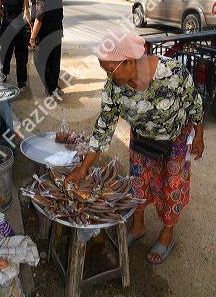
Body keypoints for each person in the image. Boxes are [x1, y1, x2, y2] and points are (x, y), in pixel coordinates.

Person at [66, 29, 204, 264]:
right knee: (138, 185)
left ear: (129, 61)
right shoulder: (114, 88)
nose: (108, 76)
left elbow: (195, 105)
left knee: (172, 186)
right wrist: (83, 169)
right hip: (141, 140)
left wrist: (198, 137)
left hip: (175, 140)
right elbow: (103, 128)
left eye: (110, 70)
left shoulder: (173, 73)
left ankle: (167, 232)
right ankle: (138, 225)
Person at [29, 0, 63, 98]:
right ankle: (54, 87)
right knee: (54, 61)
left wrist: (32, 38)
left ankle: (52, 89)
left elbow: (39, 19)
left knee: (39, 61)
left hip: (44, 35)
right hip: (57, 32)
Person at [0, 0, 31, 89]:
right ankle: (21, 81)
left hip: (7, 26)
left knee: (6, 53)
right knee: (21, 55)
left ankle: (4, 75)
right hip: (19, 27)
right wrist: (30, 25)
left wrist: (4, 17)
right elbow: (26, 12)